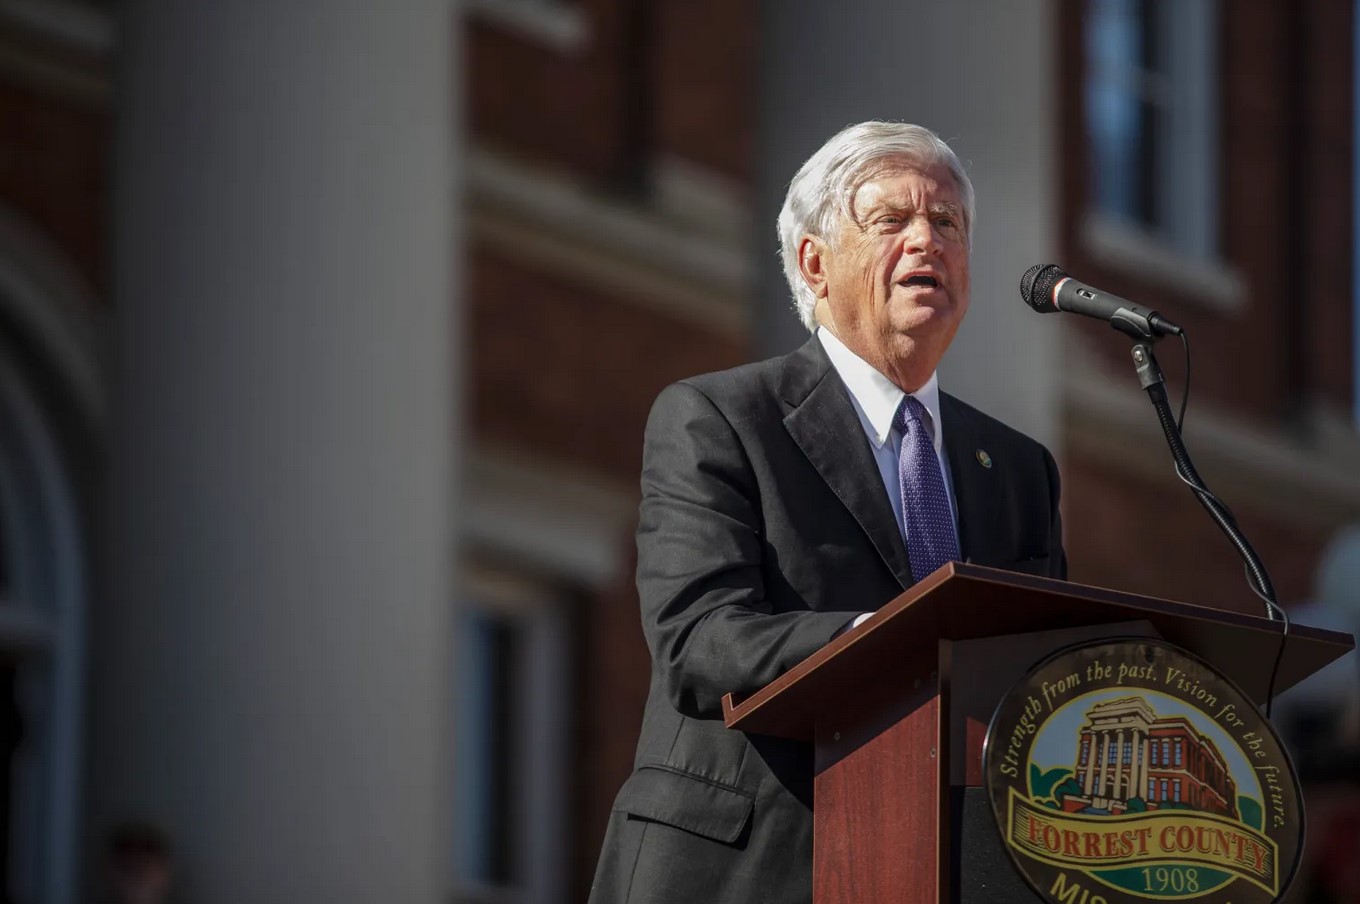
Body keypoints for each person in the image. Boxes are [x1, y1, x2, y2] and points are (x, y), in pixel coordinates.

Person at [588, 121, 1067, 903]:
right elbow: (699, 641)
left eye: (948, 222)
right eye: (892, 220)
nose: (927, 241)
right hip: (748, 870)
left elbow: (1039, 681)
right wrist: (886, 643)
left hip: (947, 872)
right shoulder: (722, 418)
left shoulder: (1018, 469)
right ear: (815, 263)